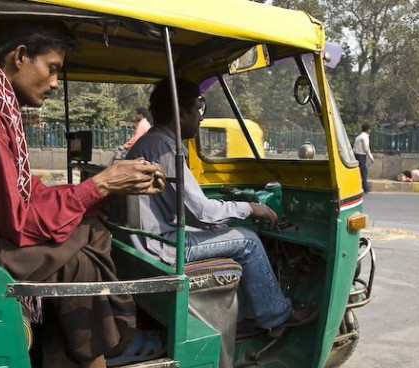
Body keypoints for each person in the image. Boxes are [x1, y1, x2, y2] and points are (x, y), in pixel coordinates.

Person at [0, 20, 165, 368]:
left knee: (88, 230)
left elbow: (28, 189)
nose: (56, 82)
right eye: (53, 68)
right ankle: (100, 365)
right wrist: (100, 185)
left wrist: (93, 193)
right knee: (86, 245)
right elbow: (19, 221)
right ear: (20, 56)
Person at [126, 78, 317, 336]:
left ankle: (249, 314)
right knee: (248, 240)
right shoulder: (166, 149)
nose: (201, 118)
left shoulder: (150, 143)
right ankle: (277, 313)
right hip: (163, 246)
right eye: (197, 110)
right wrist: (249, 208)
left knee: (228, 229)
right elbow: (202, 212)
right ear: (181, 115)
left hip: (145, 240)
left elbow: (191, 210)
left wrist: (229, 215)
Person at [353, 124, 374, 193]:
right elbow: (366, 147)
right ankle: (359, 188)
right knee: (359, 173)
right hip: (361, 156)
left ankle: (366, 188)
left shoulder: (358, 137)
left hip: (357, 155)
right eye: (370, 129)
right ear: (368, 130)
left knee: (364, 172)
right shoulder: (365, 137)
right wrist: (371, 157)